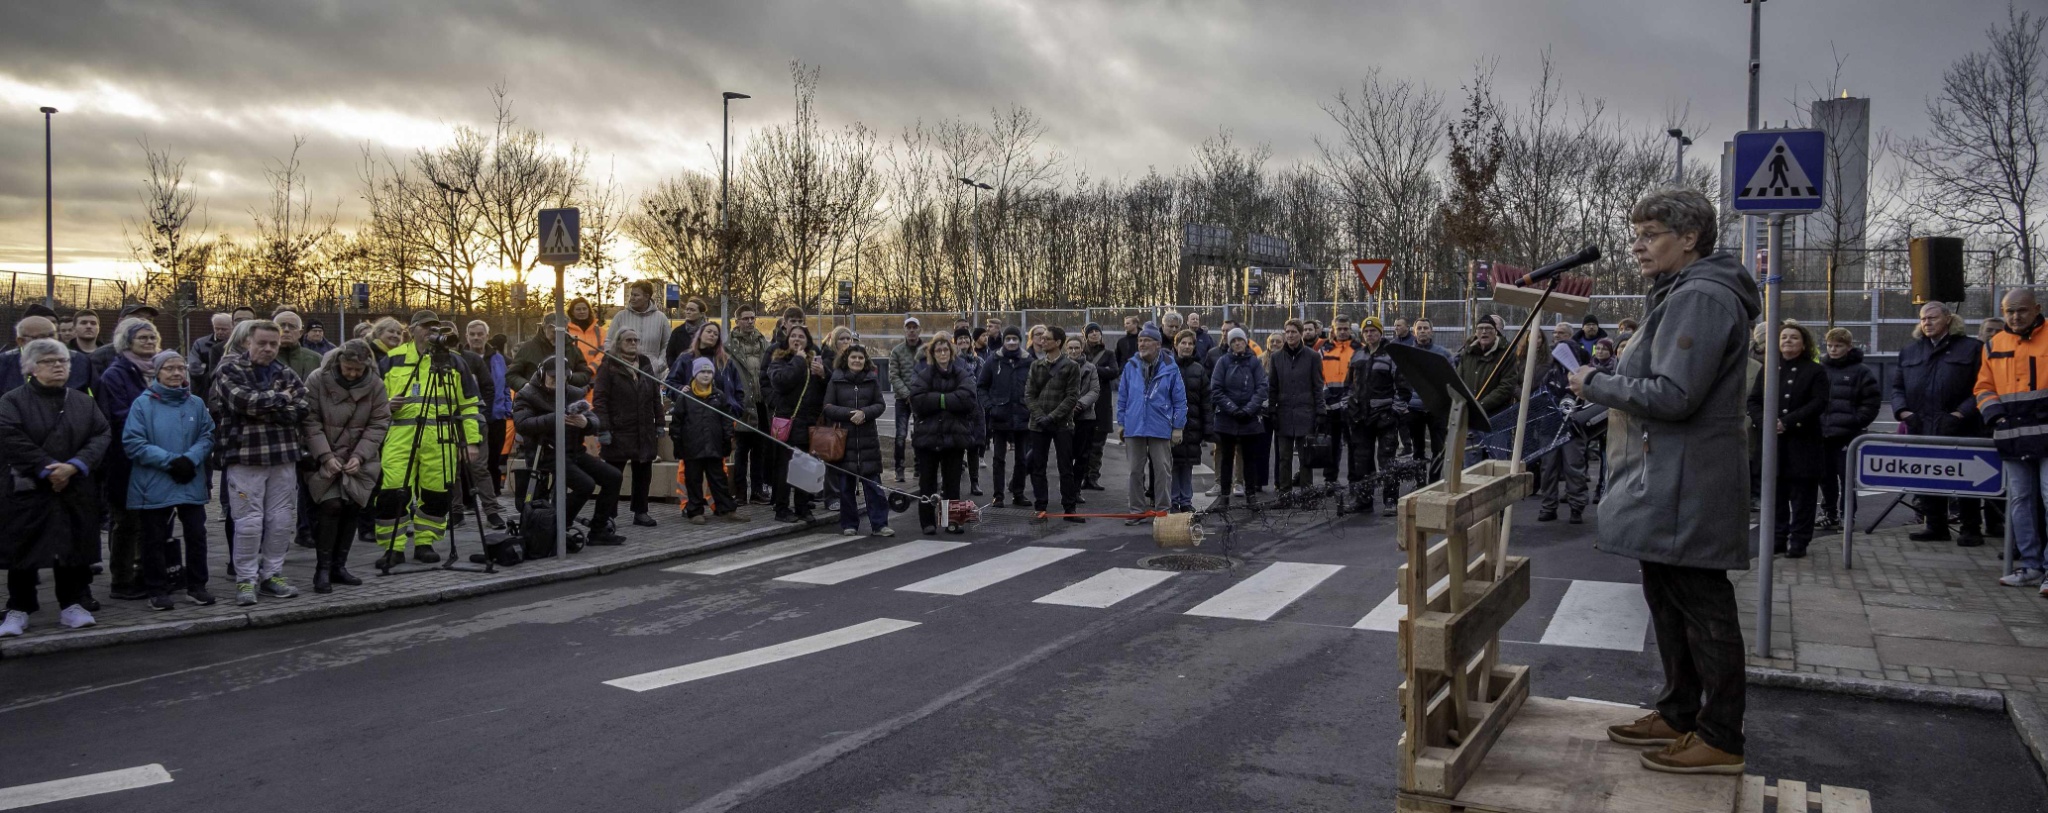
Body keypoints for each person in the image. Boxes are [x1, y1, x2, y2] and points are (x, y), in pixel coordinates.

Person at [1569, 184, 1756, 775]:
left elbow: (1675, 394)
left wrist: (1594, 384)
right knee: (1667, 596)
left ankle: (1720, 736)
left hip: (1688, 479)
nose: (1638, 247)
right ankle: (1680, 712)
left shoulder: (1702, 295)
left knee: (1702, 605)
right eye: (1636, 236)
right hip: (1670, 475)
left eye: (1651, 236)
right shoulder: (1677, 290)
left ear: (1691, 238)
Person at [0, 339, 112, 635]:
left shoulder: (83, 401)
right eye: (50, 362)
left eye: (63, 361)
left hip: (74, 485)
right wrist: (48, 468)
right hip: (28, 487)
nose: (59, 366)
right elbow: (10, 436)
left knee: (72, 544)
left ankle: (72, 604)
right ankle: (19, 607)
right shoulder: (12, 400)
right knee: (24, 547)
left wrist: (74, 466)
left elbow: (101, 434)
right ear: (32, 368)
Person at [373, 311, 488, 568]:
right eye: (425, 327)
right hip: (400, 436)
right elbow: (372, 401)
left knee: (437, 493)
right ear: (411, 330)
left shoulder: (454, 361)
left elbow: (469, 405)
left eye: (435, 327)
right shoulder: (392, 360)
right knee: (393, 492)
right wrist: (386, 406)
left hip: (441, 437)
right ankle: (393, 547)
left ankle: (425, 542)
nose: (430, 332)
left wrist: (471, 442)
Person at [210, 319, 311, 605]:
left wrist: (269, 406)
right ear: (248, 343)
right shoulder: (230, 369)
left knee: (280, 520)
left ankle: (272, 575)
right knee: (248, 522)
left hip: (283, 458)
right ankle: (245, 580)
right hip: (245, 458)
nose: (268, 349)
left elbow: (303, 405)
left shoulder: (284, 371)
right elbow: (243, 402)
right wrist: (281, 399)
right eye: (262, 343)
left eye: (273, 344)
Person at [123, 350, 216, 609]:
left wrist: (191, 459)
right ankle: (157, 589)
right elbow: (133, 442)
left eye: (180, 368)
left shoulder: (196, 403)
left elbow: (208, 434)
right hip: (153, 482)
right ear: (157, 372)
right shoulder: (142, 404)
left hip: (190, 479)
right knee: (153, 538)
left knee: (197, 534)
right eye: (169, 368)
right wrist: (171, 461)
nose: (176, 373)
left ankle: (197, 586)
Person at [1895, 302, 1988, 546]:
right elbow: (1897, 388)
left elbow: (1983, 387)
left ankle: (1971, 527)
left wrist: (1960, 414)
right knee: (1928, 477)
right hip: (1921, 425)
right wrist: (1903, 412)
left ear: (1948, 318)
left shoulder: (1972, 348)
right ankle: (1935, 525)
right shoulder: (1910, 351)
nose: (1927, 322)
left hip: (1960, 427)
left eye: (1932, 318)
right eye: (1923, 318)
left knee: (1966, 478)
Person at [1975, 288, 2048, 594]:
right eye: (2009, 311)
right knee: (2019, 501)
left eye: (2021, 310)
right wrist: (1996, 417)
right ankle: (2031, 566)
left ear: (2036, 309)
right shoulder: (1994, 344)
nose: (2015, 317)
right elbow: (1983, 386)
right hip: (2012, 435)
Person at [300, 340, 387, 594]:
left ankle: (340, 566)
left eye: (357, 371)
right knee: (330, 505)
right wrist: (326, 456)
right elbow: (310, 420)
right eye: (348, 368)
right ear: (339, 362)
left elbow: (378, 423)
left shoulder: (376, 385)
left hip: (359, 457)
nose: (352, 374)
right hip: (323, 454)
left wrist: (359, 456)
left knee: (352, 506)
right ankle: (322, 569)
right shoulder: (317, 380)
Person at [514, 359, 626, 543]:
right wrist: (556, 417)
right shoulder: (527, 394)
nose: (558, 382)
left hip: (574, 451)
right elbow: (522, 424)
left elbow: (594, 421)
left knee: (613, 477)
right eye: (553, 378)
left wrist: (586, 423)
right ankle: (558, 527)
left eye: (563, 378)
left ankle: (598, 530)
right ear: (542, 374)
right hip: (546, 454)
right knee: (586, 485)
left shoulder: (573, 393)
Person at [95, 317, 163, 601]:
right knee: (125, 522)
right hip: (125, 459)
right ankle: (122, 581)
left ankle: (146, 573)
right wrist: (158, 424)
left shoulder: (160, 370)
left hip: (159, 457)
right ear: (127, 342)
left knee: (152, 521)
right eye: (142, 338)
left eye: (151, 337)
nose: (148, 342)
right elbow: (120, 415)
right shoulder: (116, 374)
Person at [1751, 322, 1829, 558]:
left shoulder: (1815, 371)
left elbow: (1818, 403)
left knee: (1802, 496)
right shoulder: (1768, 369)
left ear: (1803, 343)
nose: (1787, 341)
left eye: (1793, 338)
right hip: (1774, 443)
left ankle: (1799, 541)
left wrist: (1787, 421)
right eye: (1783, 337)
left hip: (1802, 442)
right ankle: (1777, 538)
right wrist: (1766, 421)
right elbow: (1753, 401)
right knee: (1776, 495)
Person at [1116, 323, 1185, 525]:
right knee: (1134, 471)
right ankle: (1136, 510)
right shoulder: (1131, 366)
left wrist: (1178, 426)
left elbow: (1180, 400)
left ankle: (1163, 511)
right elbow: (1123, 396)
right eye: (1140, 340)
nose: (1142, 344)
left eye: (1146, 340)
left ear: (1157, 344)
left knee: (1163, 470)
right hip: (1134, 425)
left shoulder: (1171, 368)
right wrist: (1121, 422)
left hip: (1160, 425)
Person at [595, 328, 665, 528]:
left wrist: (659, 422)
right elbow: (600, 400)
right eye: (628, 340)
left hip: (643, 429)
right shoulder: (609, 365)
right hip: (619, 429)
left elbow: (654, 396)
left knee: (643, 474)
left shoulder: (644, 364)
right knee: (613, 476)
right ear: (619, 342)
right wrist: (604, 428)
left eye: (635, 340)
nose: (633, 343)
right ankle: (607, 514)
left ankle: (641, 511)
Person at [823, 343, 893, 536]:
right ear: (847, 359)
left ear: (865, 361)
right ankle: (849, 524)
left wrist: (865, 413)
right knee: (846, 488)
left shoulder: (872, 380)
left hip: (868, 442)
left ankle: (880, 524)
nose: (857, 361)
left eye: (861, 358)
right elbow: (828, 407)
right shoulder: (836, 380)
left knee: (874, 488)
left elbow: (880, 404)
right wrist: (849, 414)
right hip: (844, 442)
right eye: (853, 357)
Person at [911, 336, 978, 534]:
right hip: (927, 437)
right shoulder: (924, 375)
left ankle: (953, 520)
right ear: (932, 354)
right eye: (938, 350)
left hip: (954, 437)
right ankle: (927, 522)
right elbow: (917, 401)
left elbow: (967, 399)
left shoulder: (962, 374)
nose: (942, 354)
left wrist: (937, 400)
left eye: (945, 350)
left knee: (952, 482)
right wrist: (947, 400)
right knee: (927, 482)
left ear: (951, 353)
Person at [1818, 327, 1881, 534]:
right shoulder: (1821, 369)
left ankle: (1847, 515)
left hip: (1847, 435)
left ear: (1848, 347)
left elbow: (1871, 402)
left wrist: (1856, 421)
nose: (1833, 350)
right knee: (1825, 477)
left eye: (1838, 346)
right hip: (1823, 433)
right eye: (1830, 346)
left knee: (1846, 478)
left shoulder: (1861, 371)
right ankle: (1829, 512)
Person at [670, 357, 747, 524]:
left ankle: (726, 509)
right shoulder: (685, 397)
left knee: (718, 480)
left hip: (714, 446)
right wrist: (679, 445)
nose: (706, 375)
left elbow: (726, 420)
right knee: (693, 480)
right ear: (695, 374)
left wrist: (727, 439)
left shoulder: (718, 396)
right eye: (702, 372)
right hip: (692, 447)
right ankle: (695, 511)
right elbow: (677, 423)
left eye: (709, 372)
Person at [1344, 318, 1408, 516]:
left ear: (1381, 333)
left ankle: (1391, 501)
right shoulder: (1358, 355)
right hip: (1360, 417)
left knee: (1387, 460)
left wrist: (1394, 412)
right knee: (1362, 461)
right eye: (1366, 331)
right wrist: (1350, 406)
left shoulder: (1392, 355)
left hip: (1384, 417)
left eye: (1373, 331)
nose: (1369, 334)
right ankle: (1364, 500)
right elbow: (1349, 385)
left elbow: (1404, 388)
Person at [766, 325, 828, 523]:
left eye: (801, 336)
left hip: (809, 422)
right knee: (785, 467)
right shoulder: (779, 360)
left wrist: (824, 375)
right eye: (793, 336)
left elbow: (828, 390)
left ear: (807, 341)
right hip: (788, 422)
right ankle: (782, 508)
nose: (797, 339)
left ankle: (803, 508)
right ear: (787, 340)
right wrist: (799, 361)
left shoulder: (816, 362)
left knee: (806, 467)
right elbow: (782, 382)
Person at [1025, 326, 1086, 523]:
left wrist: (1052, 417)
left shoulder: (1071, 366)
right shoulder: (1036, 366)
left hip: (1062, 424)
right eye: (1041, 338)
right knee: (1038, 467)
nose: (1042, 341)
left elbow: (1072, 397)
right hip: (1038, 424)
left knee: (1065, 467)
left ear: (1058, 342)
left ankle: (1069, 508)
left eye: (1047, 339)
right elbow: (1029, 394)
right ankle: (1040, 508)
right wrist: (1040, 415)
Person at [1538, 323, 1595, 524]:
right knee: (1548, 468)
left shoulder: (1581, 375)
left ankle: (1576, 507)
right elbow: (1541, 396)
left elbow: (1588, 400)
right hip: (1550, 426)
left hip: (1573, 428)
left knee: (1574, 468)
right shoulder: (1550, 374)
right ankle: (1548, 506)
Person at [1210, 328, 1269, 509]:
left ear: (1246, 342)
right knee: (1226, 458)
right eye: (1234, 341)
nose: (1237, 343)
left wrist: (1249, 409)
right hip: (1227, 418)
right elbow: (1216, 389)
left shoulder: (1254, 362)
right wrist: (1232, 409)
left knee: (1250, 459)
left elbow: (1261, 387)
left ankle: (1251, 496)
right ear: (1229, 343)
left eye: (1240, 340)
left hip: (1249, 419)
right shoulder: (1223, 362)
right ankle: (1224, 496)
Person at [1264, 320, 1324, 492]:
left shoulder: (1312, 357)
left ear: (1300, 334)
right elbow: (1273, 387)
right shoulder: (1276, 358)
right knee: (1284, 457)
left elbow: (1317, 386)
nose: (1290, 335)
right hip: (1283, 413)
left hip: (1306, 412)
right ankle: (1284, 492)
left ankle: (1307, 492)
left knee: (1305, 457)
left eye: (1294, 332)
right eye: (1287, 332)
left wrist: (1321, 411)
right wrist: (1272, 410)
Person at [979, 326, 1032, 507]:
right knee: (998, 459)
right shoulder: (993, 360)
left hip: (1022, 416)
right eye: (1008, 339)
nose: (1011, 342)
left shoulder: (1028, 361)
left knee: (1021, 459)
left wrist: (1030, 407)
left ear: (1020, 341)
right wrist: (990, 407)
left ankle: (1018, 492)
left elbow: (1035, 387)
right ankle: (998, 495)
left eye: (1015, 339)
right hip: (1000, 416)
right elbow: (982, 386)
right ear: (1003, 341)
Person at [728, 306, 773, 505]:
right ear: (736, 321)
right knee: (741, 451)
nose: (749, 321)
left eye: (752, 318)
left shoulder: (764, 342)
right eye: (745, 318)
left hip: (761, 403)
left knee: (760, 450)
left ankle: (757, 491)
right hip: (742, 404)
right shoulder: (729, 346)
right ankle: (740, 492)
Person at [466, 321, 515, 496]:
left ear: (487, 336)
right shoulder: (460, 357)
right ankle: (468, 500)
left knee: (493, 460)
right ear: (467, 336)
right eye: (472, 334)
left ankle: (494, 497)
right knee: (469, 460)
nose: (476, 337)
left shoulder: (498, 358)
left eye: (480, 334)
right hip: (469, 417)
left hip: (496, 416)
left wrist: (506, 409)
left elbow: (505, 386)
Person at [1407, 318, 1455, 480]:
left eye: (1425, 328)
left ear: (1431, 331)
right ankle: (1420, 482)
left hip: (1437, 408)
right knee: (1418, 448)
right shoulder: (1406, 353)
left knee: (1438, 448)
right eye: (1419, 328)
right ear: (1414, 332)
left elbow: (1452, 379)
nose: (1422, 331)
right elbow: (1400, 379)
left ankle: (1434, 481)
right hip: (1414, 408)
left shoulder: (1443, 354)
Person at [0, 316, 94, 394]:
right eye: (42, 337)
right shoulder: (4, 363)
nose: (50, 342)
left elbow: (97, 401)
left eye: (52, 335)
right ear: (21, 341)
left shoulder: (79, 361)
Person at [1170, 330, 1210, 513]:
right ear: (1176, 345)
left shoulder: (1199, 370)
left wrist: (1208, 428)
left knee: (1186, 464)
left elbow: (1206, 401)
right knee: (1170, 464)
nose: (1186, 347)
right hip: (1170, 424)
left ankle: (1185, 500)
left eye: (1190, 344)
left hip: (1192, 424)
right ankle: (1171, 499)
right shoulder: (1167, 367)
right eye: (1183, 343)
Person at [1317, 317, 1359, 484]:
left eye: (1345, 328)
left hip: (1351, 405)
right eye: (1339, 329)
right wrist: (1328, 397)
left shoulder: (1359, 350)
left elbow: (1361, 378)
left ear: (1350, 329)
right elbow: (1317, 377)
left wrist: (1348, 400)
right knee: (1332, 445)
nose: (1342, 332)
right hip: (1330, 405)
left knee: (1354, 446)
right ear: (1332, 330)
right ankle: (1330, 480)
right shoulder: (1323, 350)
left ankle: (1355, 481)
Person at [1079, 323, 1119, 491]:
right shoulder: (1080, 352)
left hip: (1102, 404)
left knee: (1098, 445)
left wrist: (1093, 368)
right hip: (1082, 403)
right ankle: (1080, 476)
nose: (1094, 334)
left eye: (1097, 332)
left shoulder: (1108, 354)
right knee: (1082, 445)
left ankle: (1093, 477)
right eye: (1091, 332)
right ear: (1086, 335)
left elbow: (1114, 372)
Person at [507, 314, 591, 393]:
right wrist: (526, 386)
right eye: (554, 332)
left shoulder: (573, 350)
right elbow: (511, 375)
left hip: (566, 399)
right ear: (544, 328)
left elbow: (585, 374)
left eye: (561, 332)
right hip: (534, 401)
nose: (557, 335)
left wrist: (569, 376)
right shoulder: (527, 348)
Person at [1456, 317, 1519, 418]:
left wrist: (1480, 405)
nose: (1484, 331)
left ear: (1496, 332)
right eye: (1480, 328)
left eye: (1488, 328)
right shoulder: (1467, 354)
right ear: (1476, 333)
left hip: (1497, 416)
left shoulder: (1506, 354)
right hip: (1468, 414)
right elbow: (1458, 381)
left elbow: (1506, 386)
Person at [887, 316, 924, 485]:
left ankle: (919, 467)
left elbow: (927, 374)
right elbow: (894, 376)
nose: (911, 330)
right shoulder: (897, 351)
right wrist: (906, 394)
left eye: (914, 327)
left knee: (920, 434)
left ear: (919, 330)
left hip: (921, 399)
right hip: (902, 400)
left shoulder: (925, 351)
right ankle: (899, 469)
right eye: (908, 327)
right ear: (904, 330)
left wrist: (917, 395)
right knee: (901, 434)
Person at [1065, 336, 1101, 505]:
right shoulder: (1060, 366)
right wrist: (1066, 407)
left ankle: (1076, 490)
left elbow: (1094, 391)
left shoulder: (1091, 368)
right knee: (1065, 456)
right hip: (1063, 417)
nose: (1073, 351)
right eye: (1070, 348)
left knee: (1082, 457)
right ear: (1066, 349)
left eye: (1076, 348)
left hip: (1085, 417)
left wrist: (1078, 405)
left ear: (1081, 349)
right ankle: (1066, 490)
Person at [611, 281, 672, 377]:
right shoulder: (620, 317)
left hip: (653, 376)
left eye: (636, 295)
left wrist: (659, 365)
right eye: (631, 294)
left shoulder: (661, 318)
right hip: (624, 375)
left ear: (647, 297)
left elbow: (668, 345)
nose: (632, 298)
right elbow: (609, 342)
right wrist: (618, 365)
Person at [187, 312, 232, 395]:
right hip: (204, 390)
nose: (220, 332)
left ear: (232, 327)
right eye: (216, 328)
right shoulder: (200, 344)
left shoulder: (236, 344)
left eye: (224, 329)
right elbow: (194, 366)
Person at [273, 311, 322, 381]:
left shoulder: (316, 359)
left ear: (300, 333)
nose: (286, 330)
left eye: (292, 326)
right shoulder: (264, 358)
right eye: (281, 326)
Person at [664, 298, 710, 371]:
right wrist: (676, 371)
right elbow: (670, 355)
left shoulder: (709, 332)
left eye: (692, 310)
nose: (688, 312)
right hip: (682, 375)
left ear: (702, 314)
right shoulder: (678, 332)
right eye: (687, 309)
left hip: (705, 373)